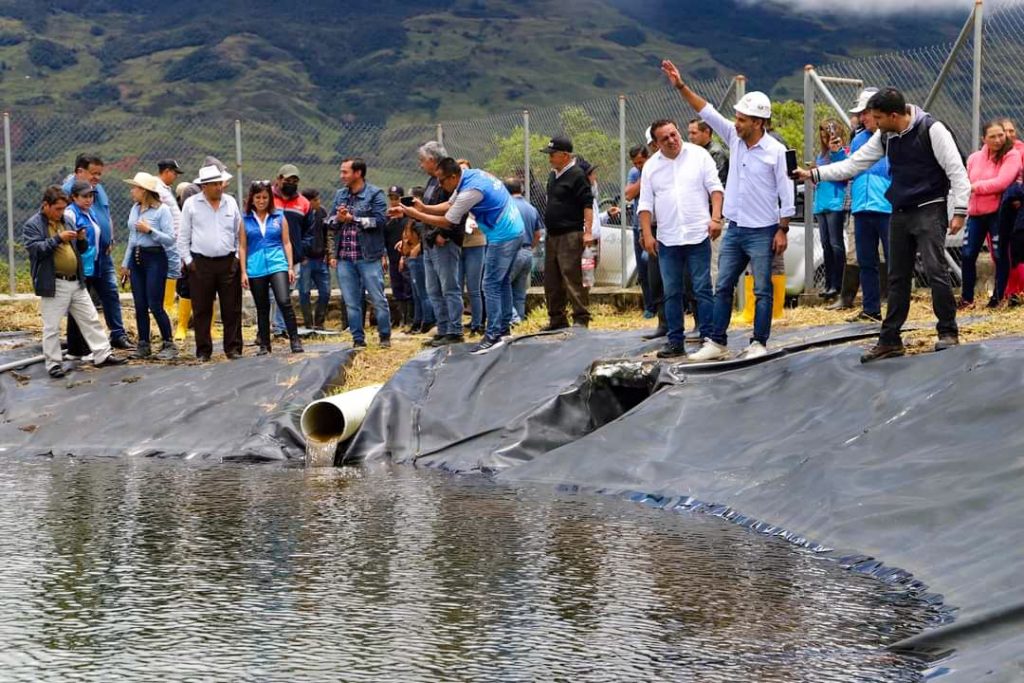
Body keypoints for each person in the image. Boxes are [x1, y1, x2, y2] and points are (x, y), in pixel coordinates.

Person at [795, 87, 970, 362]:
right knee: (896, 276)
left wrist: (960, 211)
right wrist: (813, 174)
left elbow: (957, 170)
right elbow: (853, 165)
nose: (873, 123)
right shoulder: (885, 135)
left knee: (936, 270)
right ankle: (890, 340)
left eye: (877, 117)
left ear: (893, 114)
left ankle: (948, 331)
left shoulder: (931, 129)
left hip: (929, 209)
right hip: (899, 209)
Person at [661, 60, 795, 361]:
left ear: (759, 122)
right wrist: (681, 86)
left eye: (743, 119)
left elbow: (787, 194)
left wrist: (782, 229)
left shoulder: (776, 153)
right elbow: (705, 110)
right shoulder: (734, 138)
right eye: (736, 117)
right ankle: (717, 342)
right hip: (735, 228)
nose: (736, 123)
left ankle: (759, 342)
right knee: (722, 286)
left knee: (761, 290)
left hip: (763, 230)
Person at [394, 157, 525, 354]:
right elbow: (449, 204)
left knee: (489, 284)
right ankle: (504, 328)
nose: (439, 184)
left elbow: (448, 221)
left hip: (503, 235)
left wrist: (415, 215)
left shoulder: (470, 191)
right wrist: (423, 207)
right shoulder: (471, 176)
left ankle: (493, 334)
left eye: (442, 180)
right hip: (512, 229)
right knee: (501, 281)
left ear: (453, 176)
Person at [639, 119, 724, 359]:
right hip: (668, 238)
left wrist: (716, 218)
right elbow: (645, 204)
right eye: (664, 138)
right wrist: (647, 234)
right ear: (656, 144)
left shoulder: (699, 156)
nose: (672, 140)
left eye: (674, 134)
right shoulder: (651, 167)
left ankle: (709, 339)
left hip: (698, 233)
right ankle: (676, 341)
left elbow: (715, 188)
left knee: (702, 288)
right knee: (672, 291)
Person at [22, 186, 125, 378]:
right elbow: (35, 250)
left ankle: (102, 354)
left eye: (63, 208)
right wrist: (57, 239)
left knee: (90, 317)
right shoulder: (33, 225)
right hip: (55, 282)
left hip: (76, 281)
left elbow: (80, 249)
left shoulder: (67, 220)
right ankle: (53, 364)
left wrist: (82, 239)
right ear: (46, 205)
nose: (61, 213)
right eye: (57, 209)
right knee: (52, 326)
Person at [62, 154, 132, 349]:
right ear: (79, 172)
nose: (97, 178)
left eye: (99, 174)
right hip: (83, 256)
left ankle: (117, 334)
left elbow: (105, 214)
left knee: (110, 292)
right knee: (82, 298)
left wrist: (109, 237)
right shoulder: (67, 192)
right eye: (93, 174)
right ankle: (80, 342)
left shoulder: (97, 190)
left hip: (103, 253)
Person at [177, 164, 244, 361]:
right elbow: (183, 236)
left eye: (219, 183)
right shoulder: (191, 204)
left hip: (228, 261)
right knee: (202, 309)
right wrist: (189, 262)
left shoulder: (230, 202)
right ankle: (203, 351)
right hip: (201, 263)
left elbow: (238, 231)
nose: (219, 187)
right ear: (204, 186)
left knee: (231, 308)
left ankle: (233, 348)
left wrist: (237, 258)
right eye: (214, 184)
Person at [328, 157, 391, 349]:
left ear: (358, 173)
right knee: (351, 302)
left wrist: (353, 218)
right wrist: (339, 219)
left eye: (345, 172)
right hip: (345, 258)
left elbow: (380, 221)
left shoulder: (375, 194)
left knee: (377, 299)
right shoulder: (340, 195)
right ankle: (357, 339)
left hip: (368, 256)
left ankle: (384, 337)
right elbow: (328, 222)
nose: (342, 176)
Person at [119, 172, 180, 360]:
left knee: (154, 303)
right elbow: (132, 237)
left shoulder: (162, 211)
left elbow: (170, 239)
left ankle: (168, 342)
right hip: (137, 259)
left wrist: (150, 230)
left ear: (144, 191)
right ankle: (143, 344)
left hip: (155, 258)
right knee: (140, 304)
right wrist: (125, 263)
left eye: (135, 188)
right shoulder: (135, 209)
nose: (132, 191)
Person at [962, 121, 1022, 308]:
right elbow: (965, 179)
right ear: (984, 139)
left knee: (1000, 254)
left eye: (1001, 135)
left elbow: (1001, 183)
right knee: (967, 254)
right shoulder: (973, 158)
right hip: (975, 214)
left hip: (998, 214)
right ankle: (967, 299)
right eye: (992, 136)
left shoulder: (1011, 156)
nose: (998, 140)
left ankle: (997, 298)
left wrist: (973, 188)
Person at [240, 180, 303, 355]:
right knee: (262, 307)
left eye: (265, 197)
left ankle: (295, 340)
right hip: (255, 267)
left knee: (284, 301)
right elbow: (243, 246)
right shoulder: (245, 220)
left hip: (277, 263)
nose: (261, 201)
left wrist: (290, 267)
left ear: (270, 198)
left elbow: (286, 242)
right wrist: (243, 271)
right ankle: (264, 345)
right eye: (258, 197)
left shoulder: (279, 216)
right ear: (252, 199)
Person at [847, 88, 892, 323]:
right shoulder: (857, 140)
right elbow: (851, 168)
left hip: (886, 207)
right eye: (861, 114)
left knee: (894, 260)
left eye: (865, 113)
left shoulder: (893, 137)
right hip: (861, 208)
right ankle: (870, 308)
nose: (862, 118)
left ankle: (895, 309)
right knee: (866, 261)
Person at [541, 135, 593, 330]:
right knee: (552, 279)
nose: (550, 158)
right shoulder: (553, 175)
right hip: (552, 234)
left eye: (553, 154)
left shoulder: (577, 175)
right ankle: (557, 318)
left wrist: (587, 231)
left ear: (565, 155)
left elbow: (587, 204)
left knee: (572, 277)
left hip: (571, 234)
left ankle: (580, 318)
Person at [417, 141, 464, 346]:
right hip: (429, 242)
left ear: (432, 160)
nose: (421, 165)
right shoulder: (431, 182)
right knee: (433, 290)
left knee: (449, 287)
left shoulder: (448, 181)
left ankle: (455, 329)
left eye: (423, 161)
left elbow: (456, 210)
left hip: (443, 242)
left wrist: (443, 233)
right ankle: (443, 328)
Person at [269, 164, 309, 337]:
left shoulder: (304, 203)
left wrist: (302, 250)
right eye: (287, 180)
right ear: (279, 179)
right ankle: (274, 326)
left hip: (294, 257)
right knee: (271, 293)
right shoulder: (267, 198)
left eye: (295, 180)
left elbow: (309, 231)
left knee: (287, 292)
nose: (291, 183)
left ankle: (279, 326)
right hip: (270, 253)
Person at [813, 118, 850, 301]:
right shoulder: (821, 155)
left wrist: (837, 152)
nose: (824, 135)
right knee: (826, 245)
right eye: (822, 132)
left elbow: (844, 172)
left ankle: (839, 284)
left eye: (827, 131)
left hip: (835, 202)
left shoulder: (843, 152)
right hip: (821, 203)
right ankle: (829, 284)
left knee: (836, 244)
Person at [504, 177, 543, 324]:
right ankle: (518, 317)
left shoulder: (507, 206)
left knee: (501, 284)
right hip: (527, 252)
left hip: (512, 251)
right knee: (519, 291)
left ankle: (513, 318)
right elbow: (538, 234)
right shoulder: (531, 208)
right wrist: (529, 247)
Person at [456, 159, 487, 336]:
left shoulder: (478, 191)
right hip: (458, 242)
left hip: (476, 241)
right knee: (457, 287)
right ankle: (457, 323)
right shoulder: (455, 193)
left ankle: (477, 323)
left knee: (474, 287)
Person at [400, 185, 436, 334]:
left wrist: (415, 250)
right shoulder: (412, 219)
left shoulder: (419, 220)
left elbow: (423, 237)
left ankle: (427, 321)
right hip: (411, 257)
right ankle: (417, 322)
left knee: (422, 292)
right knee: (416, 293)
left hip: (417, 258)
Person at [625, 145, 656, 318]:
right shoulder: (635, 173)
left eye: (641, 162)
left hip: (654, 225)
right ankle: (649, 306)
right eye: (635, 163)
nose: (638, 165)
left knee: (654, 265)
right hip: (638, 225)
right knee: (643, 268)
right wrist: (644, 176)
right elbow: (628, 194)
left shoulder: (657, 168)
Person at [155, 159, 184, 319]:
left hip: (174, 239)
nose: (175, 177)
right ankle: (166, 306)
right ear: (166, 171)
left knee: (173, 270)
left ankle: (169, 305)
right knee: (169, 271)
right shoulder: (158, 189)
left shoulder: (165, 189)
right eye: (174, 173)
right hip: (167, 239)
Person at [300, 188, 331, 329]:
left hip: (320, 258)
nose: (319, 202)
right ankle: (308, 323)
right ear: (309, 201)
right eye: (316, 200)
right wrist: (301, 256)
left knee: (325, 291)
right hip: (305, 259)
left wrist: (328, 254)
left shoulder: (322, 212)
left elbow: (327, 234)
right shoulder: (300, 214)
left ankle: (319, 322)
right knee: (304, 291)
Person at [384, 185, 414, 329]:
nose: (393, 201)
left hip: (406, 255)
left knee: (408, 286)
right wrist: (383, 256)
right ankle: (401, 318)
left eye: (396, 198)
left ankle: (410, 318)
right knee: (396, 287)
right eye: (391, 198)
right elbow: (382, 238)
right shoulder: (388, 218)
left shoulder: (408, 217)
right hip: (393, 256)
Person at [688, 118, 730, 185]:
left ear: (706, 132)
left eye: (694, 133)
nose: (690, 136)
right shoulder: (695, 152)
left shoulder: (716, 153)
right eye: (689, 133)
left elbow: (718, 182)